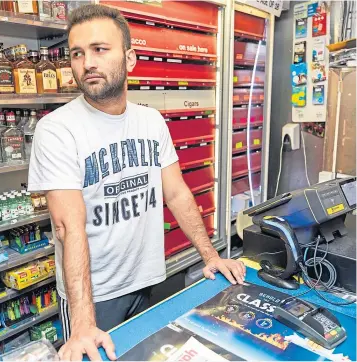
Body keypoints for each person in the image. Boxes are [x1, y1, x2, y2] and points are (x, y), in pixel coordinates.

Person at [27, 4, 246, 361]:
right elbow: (68, 227)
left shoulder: (151, 121)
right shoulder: (57, 130)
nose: (87, 63)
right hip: (95, 296)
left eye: (100, 49)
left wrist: (211, 256)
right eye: (78, 54)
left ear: (130, 59)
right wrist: (83, 324)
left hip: (146, 280)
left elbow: (175, 193)